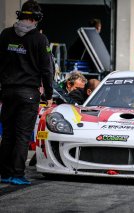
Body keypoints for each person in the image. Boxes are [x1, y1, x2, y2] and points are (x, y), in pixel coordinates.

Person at [0, 0, 53, 185]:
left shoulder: (5, 34)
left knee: (8, 134)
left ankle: (4, 173)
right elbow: (47, 70)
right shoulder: (40, 39)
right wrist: (48, 94)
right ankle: (16, 174)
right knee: (22, 135)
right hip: (28, 93)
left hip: (7, 92)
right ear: (36, 19)